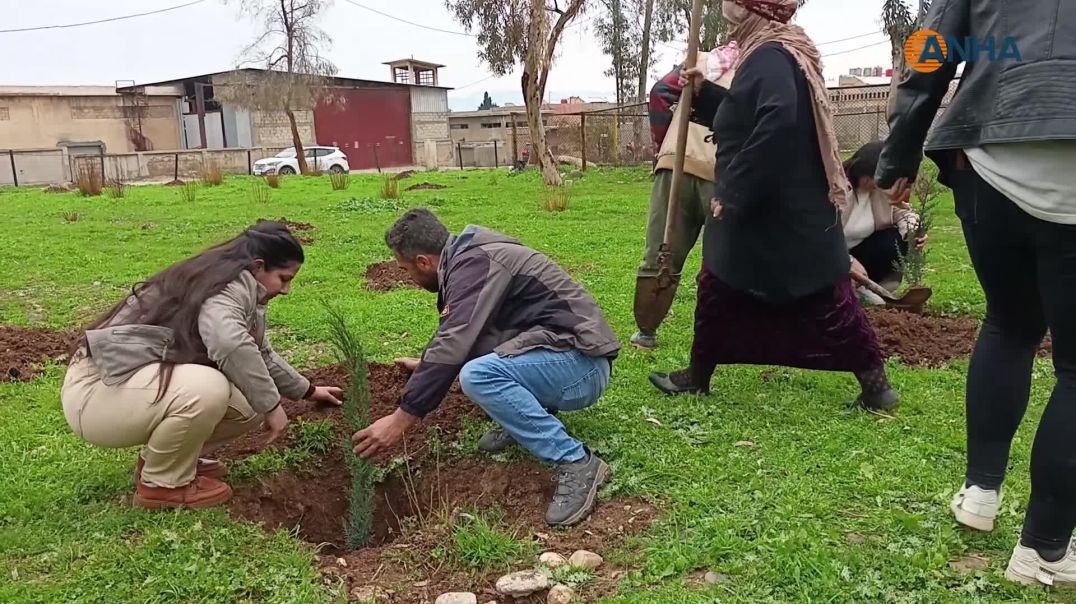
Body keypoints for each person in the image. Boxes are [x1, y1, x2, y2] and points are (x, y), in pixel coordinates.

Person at [877, 0, 1076, 585]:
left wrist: (899, 155)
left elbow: (928, 52)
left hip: (988, 156)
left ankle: (980, 493)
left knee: (1009, 325)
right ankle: (1044, 550)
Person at [648, 0, 898, 412]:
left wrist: (734, 190)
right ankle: (698, 374)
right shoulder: (775, 52)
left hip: (775, 212)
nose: (726, 10)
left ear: (752, 11)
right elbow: (747, 115)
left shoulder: (770, 56)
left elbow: (779, 120)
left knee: (825, 298)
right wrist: (704, 92)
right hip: (775, 211)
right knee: (720, 288)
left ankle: (876, 387)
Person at [353, 209, 620, 526]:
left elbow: (454, 341)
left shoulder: (476, 264)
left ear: (423, 261)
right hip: (562, 355)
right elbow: (464, 334)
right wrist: (428, 365)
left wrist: (400, 420)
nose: (409, 278)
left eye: (406, 269)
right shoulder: (471, 258)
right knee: (476, 364)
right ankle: (526, 420)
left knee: (477, 375)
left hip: (582, 366)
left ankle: (576, 461)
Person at [60, 222, 343, 510]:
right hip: (96, 392)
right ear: (259, 266)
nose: (286, 290)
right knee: (209, 388)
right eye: (284, 278)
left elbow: (258, 353)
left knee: (248, 403)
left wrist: (307, 391)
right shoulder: (224, 290)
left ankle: (167, 461)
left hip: (129, 385)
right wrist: (273, 406)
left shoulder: (240, 288)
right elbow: (230, 344)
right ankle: (161, 486)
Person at [631, 49, 736, 350]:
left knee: (663, 252)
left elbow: (661, 93)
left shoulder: (701, 60)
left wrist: (664, 142)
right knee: (724, 260)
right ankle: (723, 337)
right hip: (727, 174)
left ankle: (646, 331)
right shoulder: (762, 66)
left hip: (677, 164)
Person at [841, 141, 927, 302]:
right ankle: (845, 288)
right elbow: (819, 236)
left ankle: (878, 288)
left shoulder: (881, 189)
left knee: (894, 238)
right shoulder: (837, 189)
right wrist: (847, 261)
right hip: (829, 254)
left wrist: (913, 230)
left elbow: (902, 211)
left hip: (861, 252)